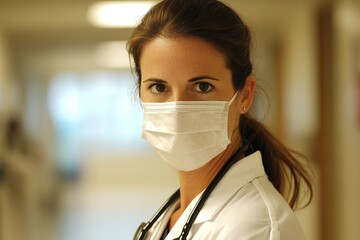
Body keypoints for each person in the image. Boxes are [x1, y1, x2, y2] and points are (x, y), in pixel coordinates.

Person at [127, 0, 313, 239]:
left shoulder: (254, 228)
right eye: (158, 86)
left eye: (202, 86)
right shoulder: (172, 214)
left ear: (245, 95)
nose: (177, 108)